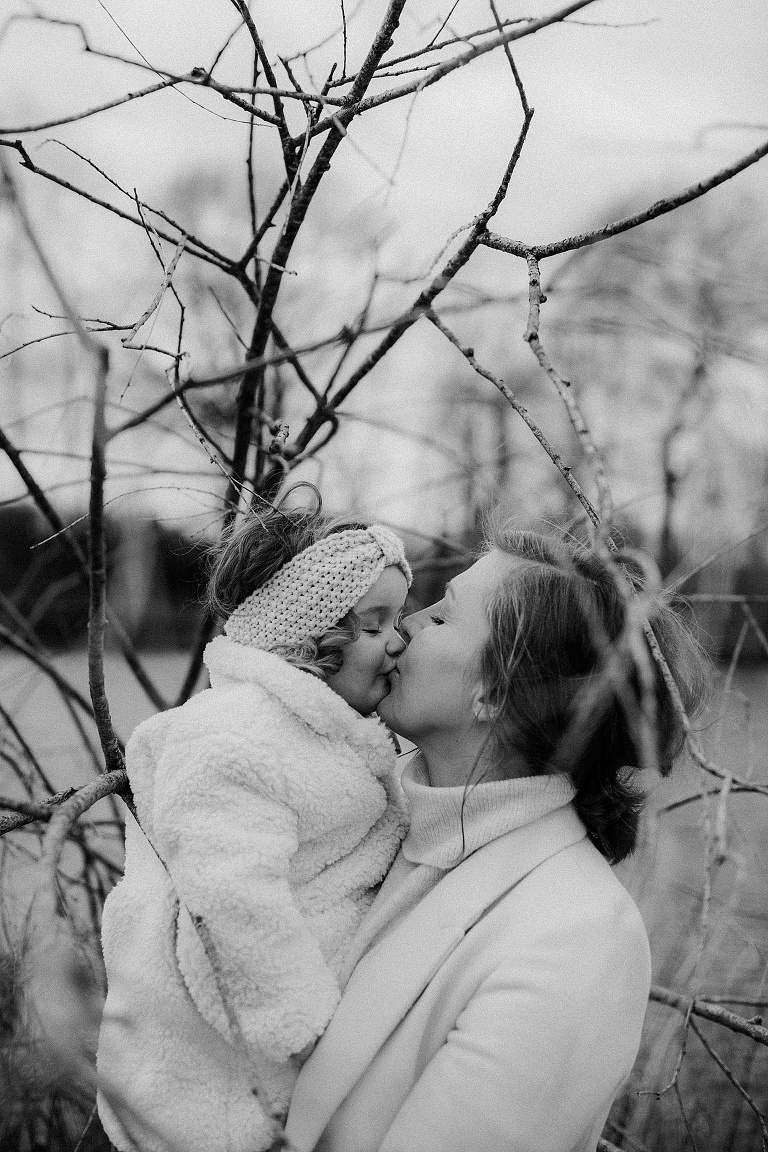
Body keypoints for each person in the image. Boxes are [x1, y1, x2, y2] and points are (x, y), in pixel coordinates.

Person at [286, 523, 709, 1152]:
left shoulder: (579, 939)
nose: (406, 626)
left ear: (495, 690)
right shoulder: (352, 823)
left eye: (442, 616)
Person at [96, 506, 412, 1152]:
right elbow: (232, 898)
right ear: (304, 638)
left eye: (399, 619)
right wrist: (314, 1036)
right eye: (374, 623)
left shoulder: (328, 733)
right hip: (215, 1088)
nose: (399, 640)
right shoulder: (237, 735)